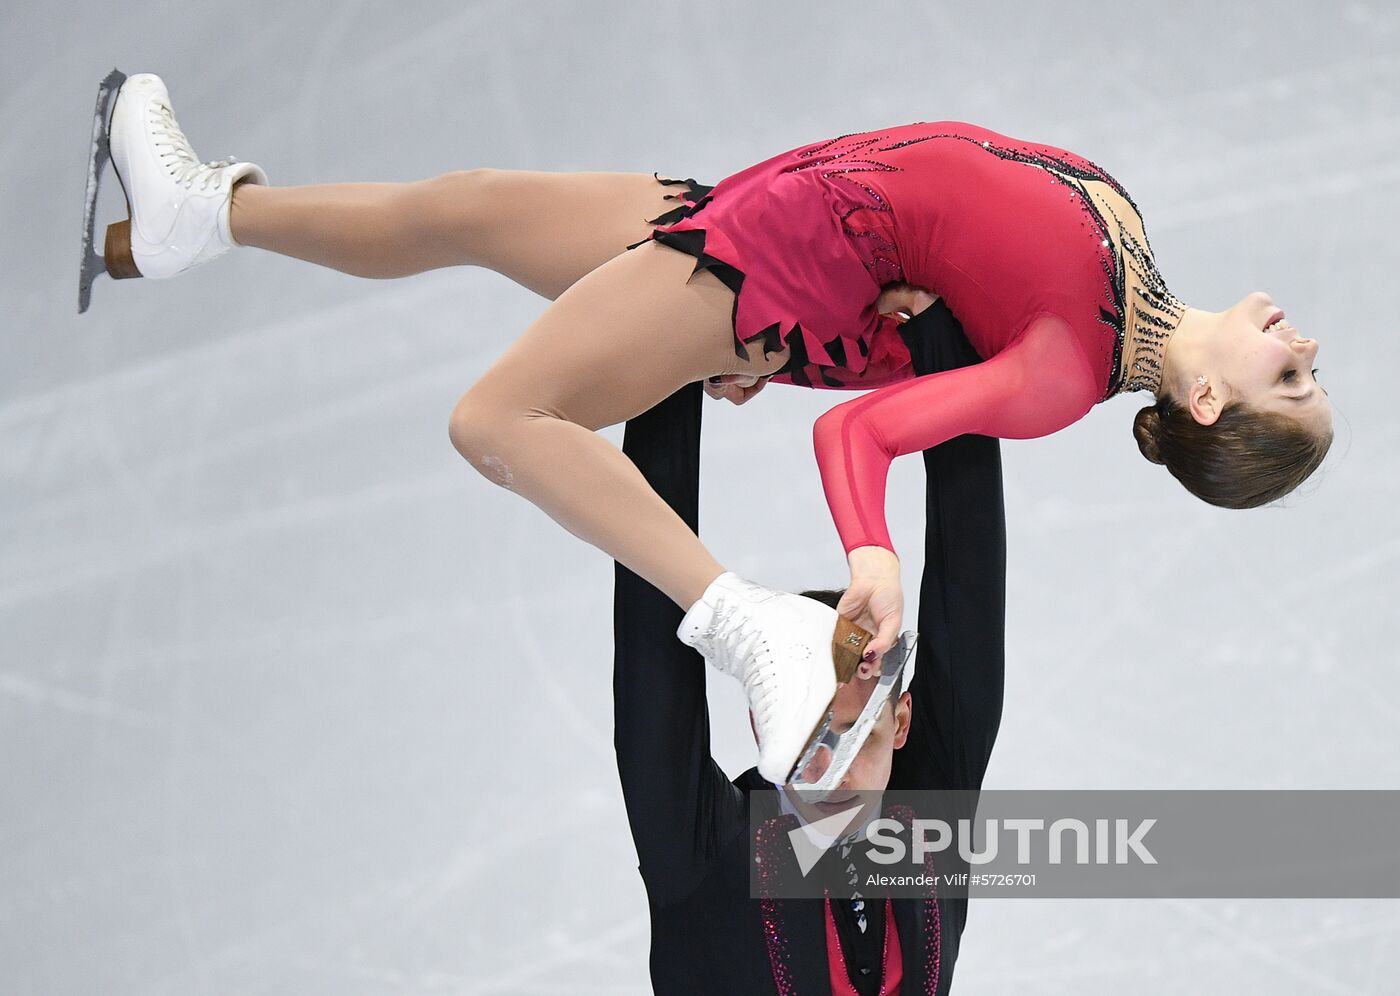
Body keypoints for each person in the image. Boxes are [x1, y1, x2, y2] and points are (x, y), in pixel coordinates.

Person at [84, 71, 1333, 787]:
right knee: (464, 205)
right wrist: (829, 340)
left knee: (497, 418)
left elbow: (865, 439)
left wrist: (869, 559)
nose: (1304, 349)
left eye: (1292, 383)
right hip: (762, 209)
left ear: (1208, 406)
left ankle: (750, 628)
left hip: (772, 257)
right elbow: (938, 271)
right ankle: (204, 215)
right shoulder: (1129, 244)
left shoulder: (1067, 373)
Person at [614, 303, 1006, 994]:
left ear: (903, 720)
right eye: (808, 733)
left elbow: (967, 591)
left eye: (860, 732)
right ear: (763, 724)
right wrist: (671, 348)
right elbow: (651, 634)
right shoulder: (705, 849)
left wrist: (941, 328)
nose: (835, 772)